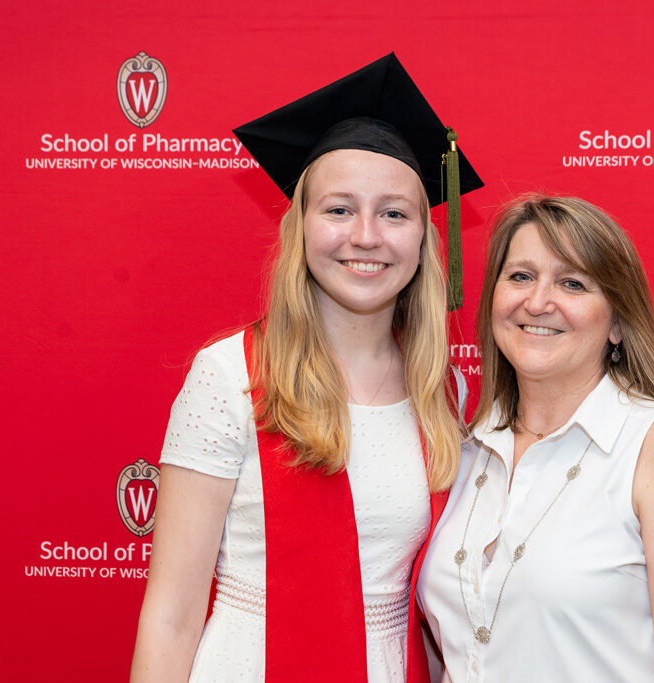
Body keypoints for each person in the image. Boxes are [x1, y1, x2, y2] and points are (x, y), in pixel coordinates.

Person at [131, 54, 482, 683]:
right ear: (300, 228)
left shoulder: (443, 390)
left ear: (425, 240)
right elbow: (172, 615)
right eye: (339, 209)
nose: (367, 236)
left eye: (395, 213)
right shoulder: (230, 375)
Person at [417, 195, 654, 681]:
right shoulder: (465, 448)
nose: (537, 302)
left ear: (617, 322)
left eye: (572, 283)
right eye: (521, 276)